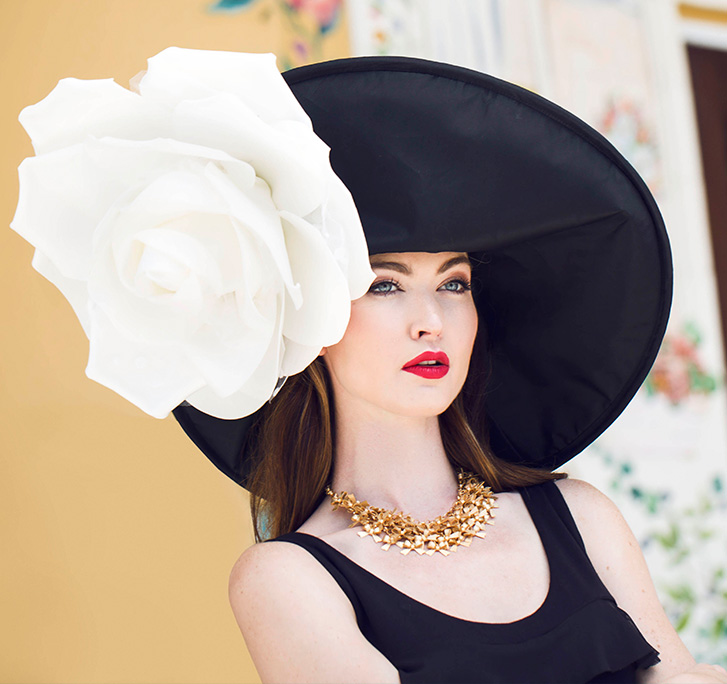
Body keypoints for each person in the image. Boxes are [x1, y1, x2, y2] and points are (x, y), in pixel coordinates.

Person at [12, 49, 727, 683]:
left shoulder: (580, 517)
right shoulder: (288, 580)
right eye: (384, 285)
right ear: (310, 317)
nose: (431, 319)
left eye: (454, 284)